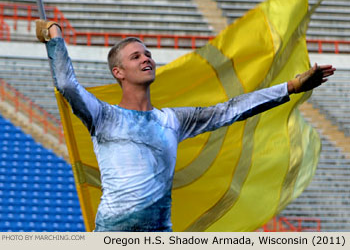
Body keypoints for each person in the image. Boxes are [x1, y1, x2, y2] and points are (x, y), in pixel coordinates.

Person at [35, 20, 335, 232]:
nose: (146, 59)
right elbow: (66, 84)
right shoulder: (103, 116)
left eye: (148, 54)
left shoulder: (172, 120)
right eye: (135, 56)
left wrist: (291, 87)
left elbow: (231, 110)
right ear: (119, 72)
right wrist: (55, 36)